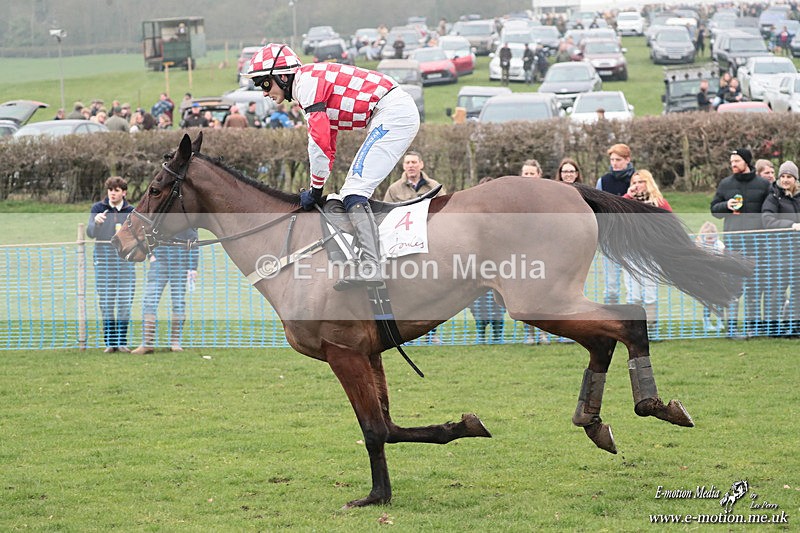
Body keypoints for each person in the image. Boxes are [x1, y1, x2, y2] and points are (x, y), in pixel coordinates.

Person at [243, 43, 420, 290]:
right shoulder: (307, 83)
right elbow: (328, 142)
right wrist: (318, 185)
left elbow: (318, 141)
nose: (263, 92)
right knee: (349, 192)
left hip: (393, 113)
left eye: (263, 83)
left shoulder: (306, 84)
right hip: (390, 112)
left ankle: (371, 266)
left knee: (354, 192)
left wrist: (315, 190)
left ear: (282, 76)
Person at [710, 148, 771, 336]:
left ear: (746, 161)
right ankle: (731, 329)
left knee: (754, 288)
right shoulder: (725, 184)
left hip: (757, 245)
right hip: (734, 245)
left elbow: (769, 212)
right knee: (732, 288)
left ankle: (753, 328)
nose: (733, 164)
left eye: (736, 161)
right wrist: (726, 206)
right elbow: (714, 209)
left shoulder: (763, 184)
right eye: (731, 162)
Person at [87, 177, 136, 353]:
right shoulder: (98, 209)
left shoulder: (131, 211)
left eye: (116, 190)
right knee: (106, 302)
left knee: (124, 302)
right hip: (104, 263)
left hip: (125, 263)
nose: (112, 194)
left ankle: (121, 341)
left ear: (124, 193)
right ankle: (110, 343)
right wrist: (96, 223)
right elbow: (90, 233)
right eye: (110, 190)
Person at [133, 228, 199, 354]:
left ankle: (175, 343)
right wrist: (151, 255)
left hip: (180, 264)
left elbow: (193, 242)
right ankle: (147, 343)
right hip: (159, 263)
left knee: (178, 303)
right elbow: (145, 234)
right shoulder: (158, 217)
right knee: (149, 301)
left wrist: (192, 267)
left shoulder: (186, 219)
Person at [622, 169, 672, 331]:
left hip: (651, 253)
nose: (637, 185)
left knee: (650, 292)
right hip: (631, 253)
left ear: (648, 183)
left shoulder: (659, 202)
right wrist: (628, 196)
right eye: (634, 182)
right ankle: (635, 329)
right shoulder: (627, 202)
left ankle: (651, 328)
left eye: (640, 182)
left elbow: (671, 224)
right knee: (633, 294)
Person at [761, 160, 800, 336]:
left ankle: (795, 326)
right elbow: (767, 220)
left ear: (795, 179)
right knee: (776, 291)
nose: (785, 180)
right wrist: (791, 225)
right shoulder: (773, 197)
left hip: (797, 253)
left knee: (797, 291)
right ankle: (773, 327)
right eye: (782, 176)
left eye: (789, 176)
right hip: (779, 253)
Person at [597, 143, 636, 304]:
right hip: (610, 239)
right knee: (611, 288)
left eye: (618, 160)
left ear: (628, 159)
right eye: (612, 160)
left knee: (633, 289)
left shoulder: (637, 180)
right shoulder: (603, 181)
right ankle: (611, 317)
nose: (614, 163)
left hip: (632, 240)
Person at [695, 221, 726, 331]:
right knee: (708, 301)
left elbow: (722, 258)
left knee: (720, 300)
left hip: (718, 276)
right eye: (708, 238)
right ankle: (706, 321)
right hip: (705, 277)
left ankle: (720, 321)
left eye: (713, 237)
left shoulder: (719, 245)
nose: (711, 240)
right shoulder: (699, 246)